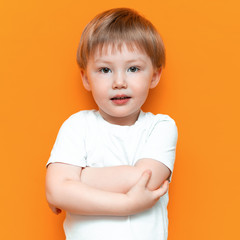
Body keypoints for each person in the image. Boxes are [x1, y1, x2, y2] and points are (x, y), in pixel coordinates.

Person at [45, 7, 178, 240]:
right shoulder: (77, 126)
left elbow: (143, 178)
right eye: (105, 69)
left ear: (154, 76)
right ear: (86, 78)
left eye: (133, 68)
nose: (119, 82)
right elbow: (55, 190)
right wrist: (127, 203)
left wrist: (76, 179)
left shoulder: (161, 127)